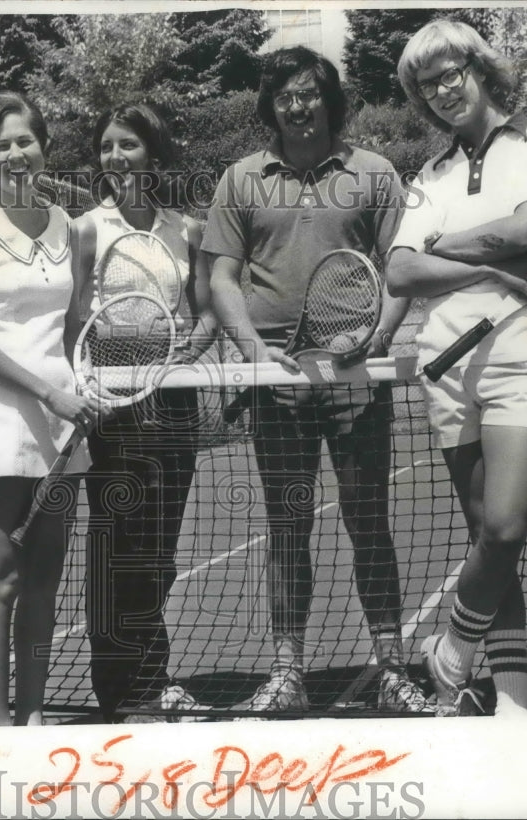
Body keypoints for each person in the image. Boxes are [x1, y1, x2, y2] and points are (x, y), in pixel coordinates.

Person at [202, 47, 427, 715]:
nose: (297, 107)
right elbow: (221, 277)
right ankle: (288, 672)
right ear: (269, 104)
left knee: (369, 525)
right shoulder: (241, 179)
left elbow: (402, 272)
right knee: (286, 527)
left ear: (331, 100)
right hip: (276, 381)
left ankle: (392, 668)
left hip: (358, 377)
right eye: (284, 96)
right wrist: (252, 350)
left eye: (309, 94)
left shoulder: (376, 174)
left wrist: (376, 340)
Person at [387, 20, 527, 717]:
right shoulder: (429, 175)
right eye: (425, 85)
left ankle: (455, 648)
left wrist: (447, 243)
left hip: (522, 355)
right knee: (482, 545)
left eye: (449, 74)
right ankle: (514, 700)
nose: (440, 92)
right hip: (447, 368)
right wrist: (495, 262)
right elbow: (401, 269)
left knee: (504, 528)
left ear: (480, 68)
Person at [0, 92, 100, 727]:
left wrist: (79, 383)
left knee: (44, 582)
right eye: (1, 143)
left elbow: (74, 323)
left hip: (62, 426)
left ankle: (32, 716)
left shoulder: (69, 225)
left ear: (44, 147)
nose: (14, 153)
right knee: (2, 578)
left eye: (25, 140)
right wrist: (48, 391)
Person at [72, 103, 217, 723]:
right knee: (117, 545)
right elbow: (77, 314)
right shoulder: (85, 228)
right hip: (115, 396)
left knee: (159, 547)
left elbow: (207, 312)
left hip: (174, 397)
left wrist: (194, 343)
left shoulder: (186, 230)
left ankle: (152, 678)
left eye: (127, 145)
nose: (115, 158)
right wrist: (100, 367)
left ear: (151, 154)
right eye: (107, 146)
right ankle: (122, 690)